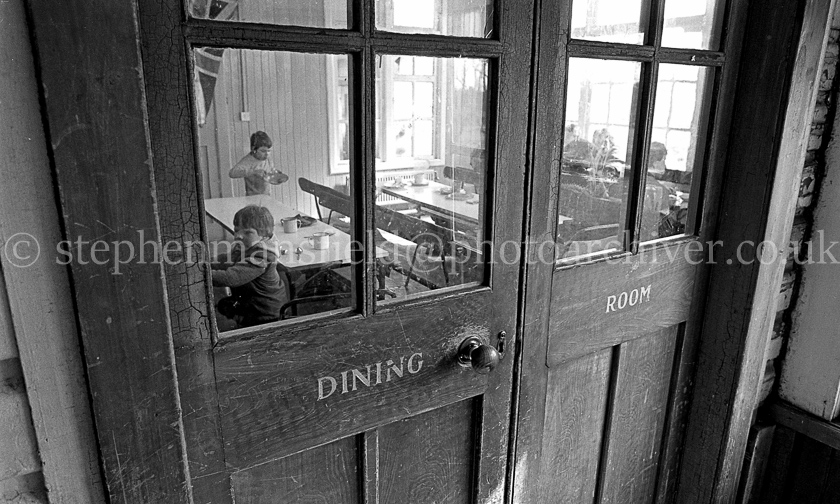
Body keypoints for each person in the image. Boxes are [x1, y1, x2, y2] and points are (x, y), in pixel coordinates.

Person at [212, 205, 286, 328]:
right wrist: (206, 263)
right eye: (236, 230)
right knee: (223, 305)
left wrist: (200, 273)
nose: (238, 236)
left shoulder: (262, 256)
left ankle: (244, 324)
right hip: (253, 300)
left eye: (248, 232)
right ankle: (242, 321)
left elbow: (230, 278)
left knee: (227, 308)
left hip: (265, 311)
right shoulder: (245, 245)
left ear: (264, 236)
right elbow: (225, 260)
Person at [229, 131, 289, 196]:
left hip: (266, 195)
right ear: (253, 149)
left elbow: (271, 170)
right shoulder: (248, 160)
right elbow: (232, 173)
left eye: (269, 151)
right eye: (263, 151)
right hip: (252, 198)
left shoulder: (267, 158)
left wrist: (277, 175)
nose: (267, 154)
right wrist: (253, 172)